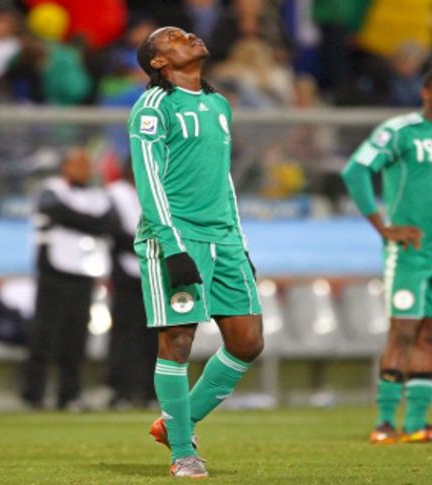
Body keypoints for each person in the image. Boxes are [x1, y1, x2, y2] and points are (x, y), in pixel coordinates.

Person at [127, 26, 263, 478]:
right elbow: (149, 181)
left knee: (247, 342)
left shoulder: (218, 103)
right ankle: (183, 451)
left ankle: (175, 423)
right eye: (173, 37)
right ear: (159, 62)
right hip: (176, 236)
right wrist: (171, 246)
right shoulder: (152, 107)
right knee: (179, 340)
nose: (189, 36)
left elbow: (223, 180)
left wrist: (239, 242)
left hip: (223, 238)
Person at [341, 66, 432, 444]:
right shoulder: (399, 131)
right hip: (409, 251)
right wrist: (382, 226)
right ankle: (385, 422)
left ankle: (417, 424)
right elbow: (356, 170)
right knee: (402, 330)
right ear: (427, 94)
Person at [20, 148, 121, 410]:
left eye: (87, 165)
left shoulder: (97, 196)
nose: (83, 170)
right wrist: (91, 223)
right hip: (54, 272)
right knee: (44, 336)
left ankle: (70, 395)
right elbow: (55, 210)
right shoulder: (51, 188)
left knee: (75, 339)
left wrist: (79, 221)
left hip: (84, 273)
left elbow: (111, 222)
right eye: (77, 164)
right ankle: (34, 395)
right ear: (65, 167)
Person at [105, 165, 158, 409]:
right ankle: (121, 391)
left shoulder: (159, 192)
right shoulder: (115, 194)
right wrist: (145, 246)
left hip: (157, 274)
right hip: (127, 273)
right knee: (125, 334)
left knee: (155, 336)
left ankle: (151, 391)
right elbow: (112, 230)